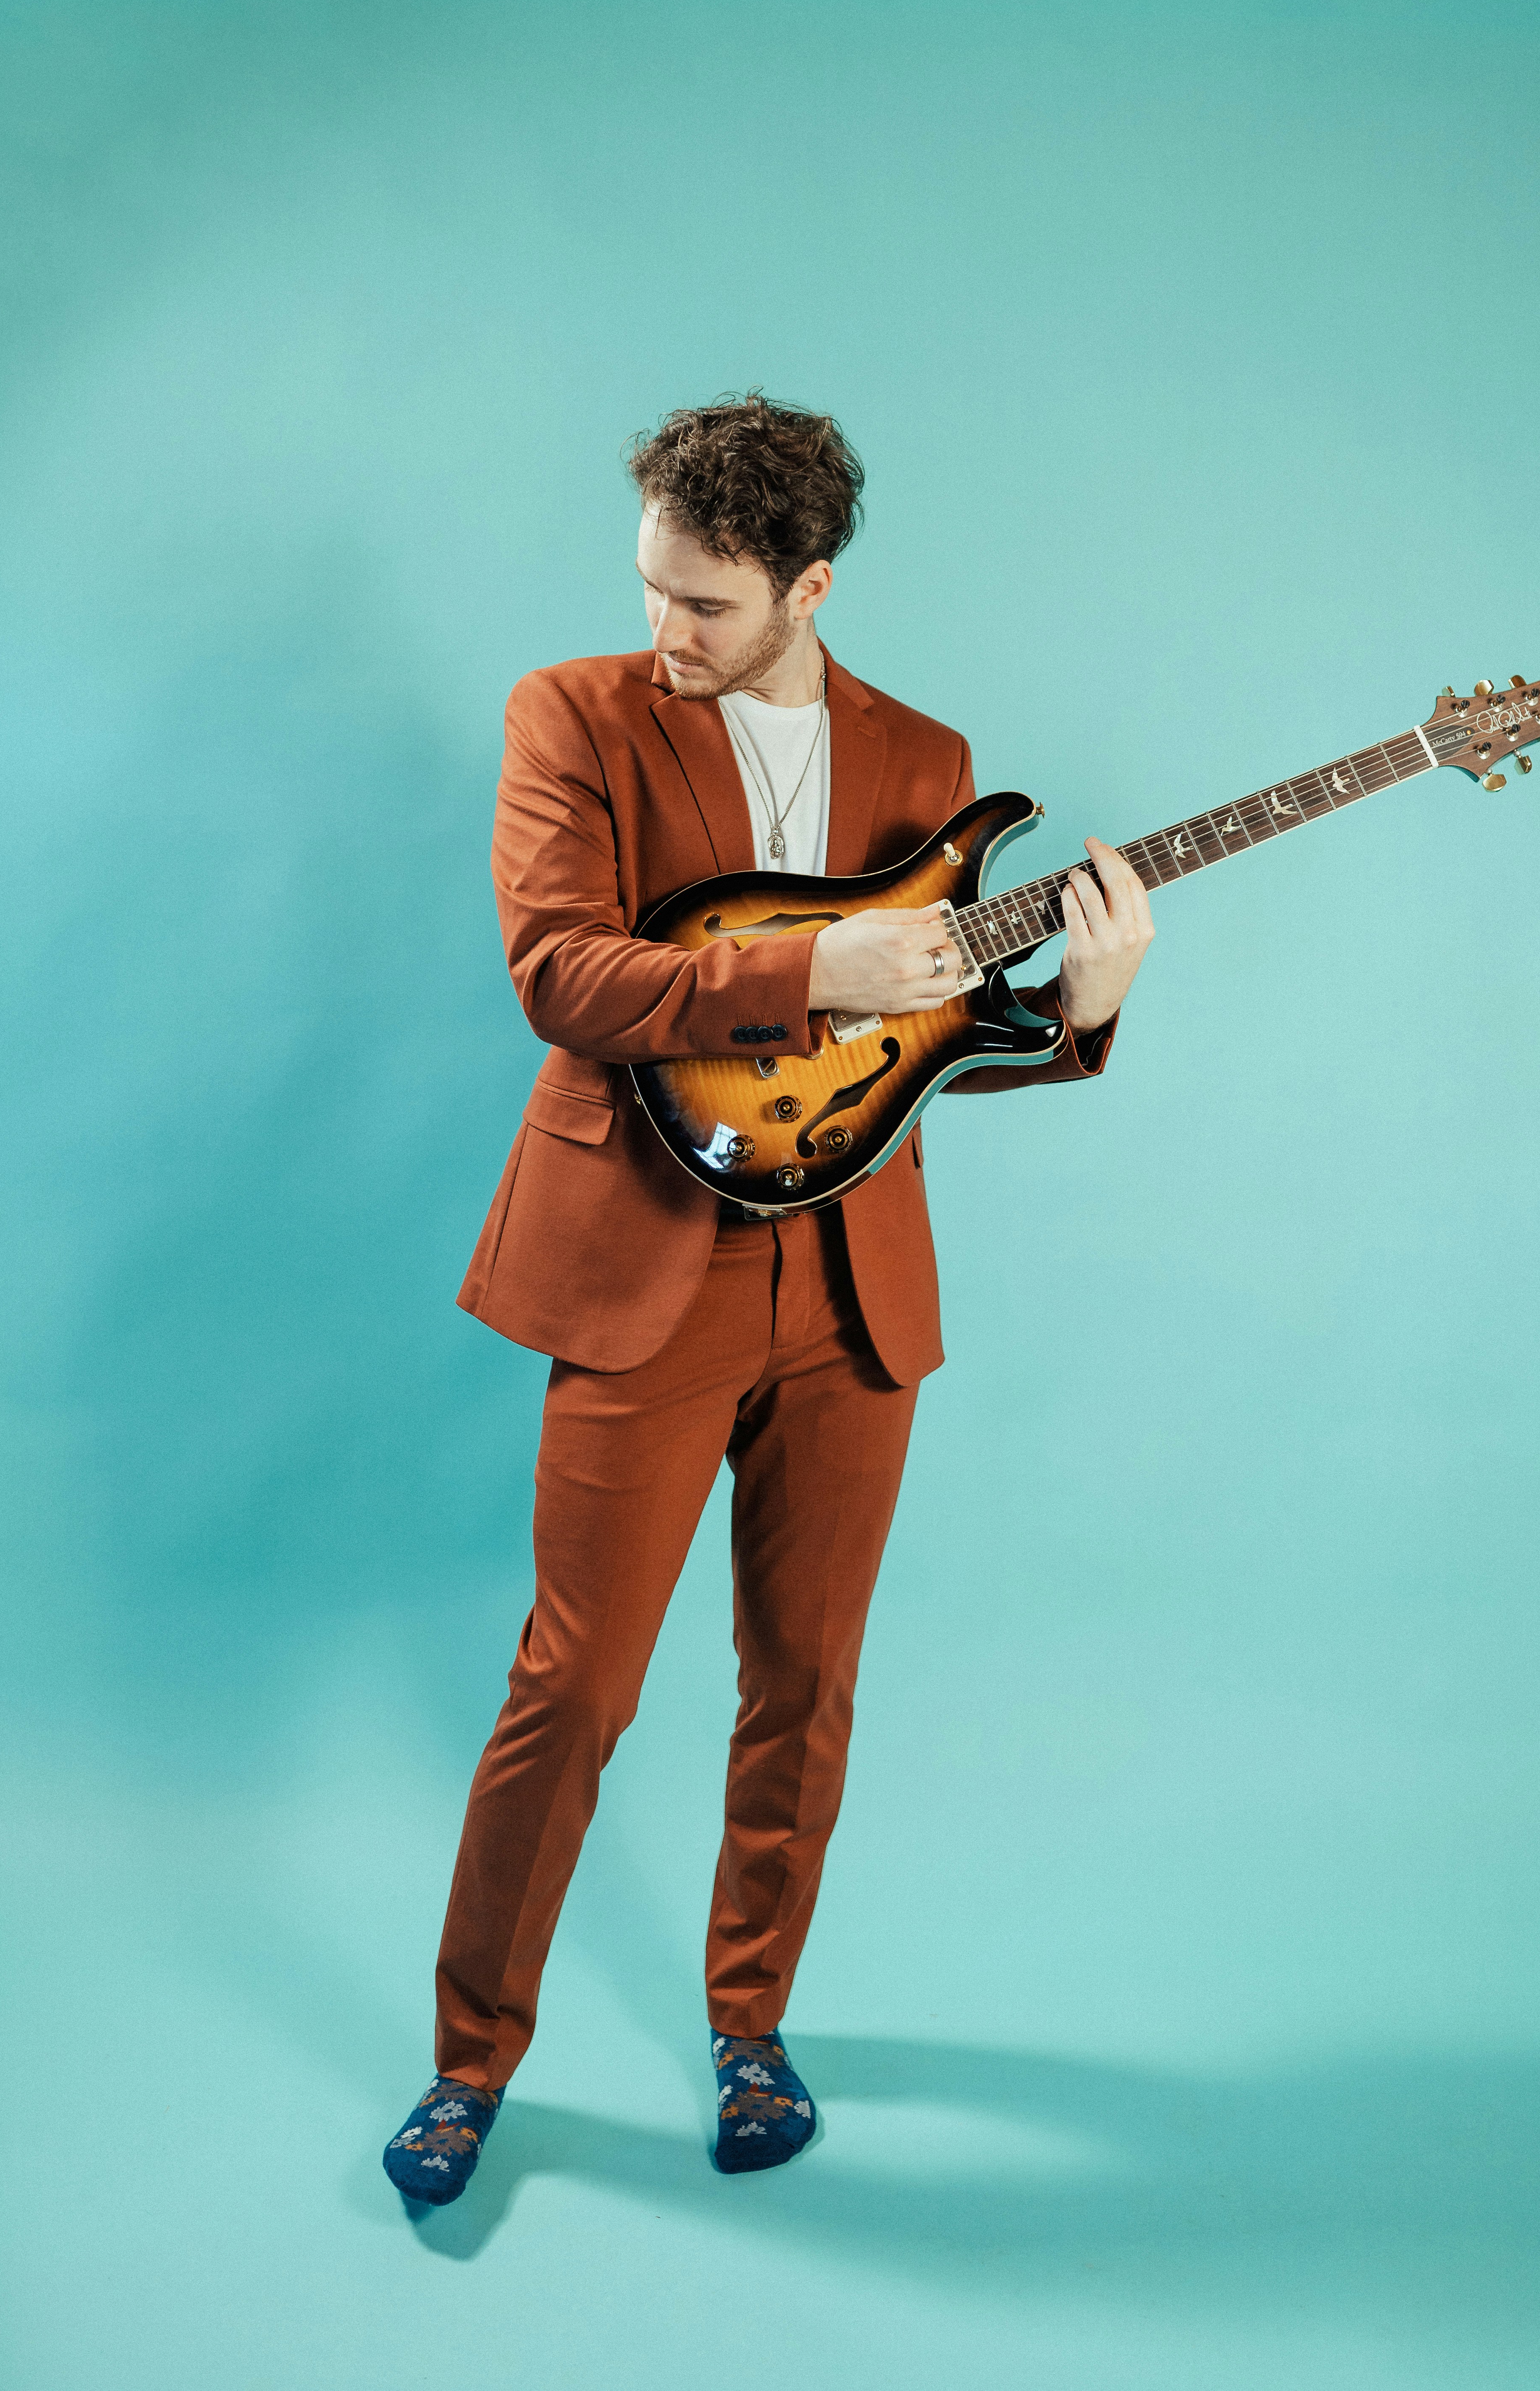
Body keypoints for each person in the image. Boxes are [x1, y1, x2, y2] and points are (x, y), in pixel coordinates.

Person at [382, 394, 1154, 2202]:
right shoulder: (569, 714)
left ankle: (752, 2033)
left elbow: (922, 1053)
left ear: (807, 586)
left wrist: (1087, 1011)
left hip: (853, 1287)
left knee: (803, 1684)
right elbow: (561, 972)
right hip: (641, 1269)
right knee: (570, 1690)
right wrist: (816, 959)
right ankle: (467, 2066)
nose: (667, 632)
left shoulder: (923, 755)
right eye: (653, 587)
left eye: (708, 606)